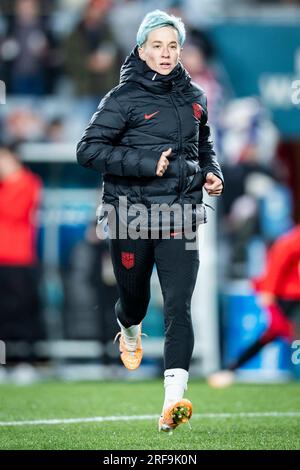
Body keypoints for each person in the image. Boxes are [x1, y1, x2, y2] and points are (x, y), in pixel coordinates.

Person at [77, 10, 224, 432]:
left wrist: (213, 173)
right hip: (131, 216)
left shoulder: (196, 95)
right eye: (157, 45)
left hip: (181, 215)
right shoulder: (121, 97)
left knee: (179, 306)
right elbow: (87, 151)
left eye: (173, 45)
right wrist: (145, 163)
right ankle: (129, 327)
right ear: (141, 50)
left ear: (181, 50)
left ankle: (171, 404)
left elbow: (204, 145)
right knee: (136, 301)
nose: (165, 52)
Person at [208, 224, 300, 388]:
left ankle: (230, 369)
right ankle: (230, 369)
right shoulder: (292, 240)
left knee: (272, 335)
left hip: (291, 296)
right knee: (281, 334)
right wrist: (268, 291)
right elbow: (277, 263)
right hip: (288, 297)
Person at [0, 142, 44, 363]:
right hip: (3, 260)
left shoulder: (28, 182)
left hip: (19, 259)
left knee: (22, 313)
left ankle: (26, 361)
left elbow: (14, 211)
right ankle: (7, 362)